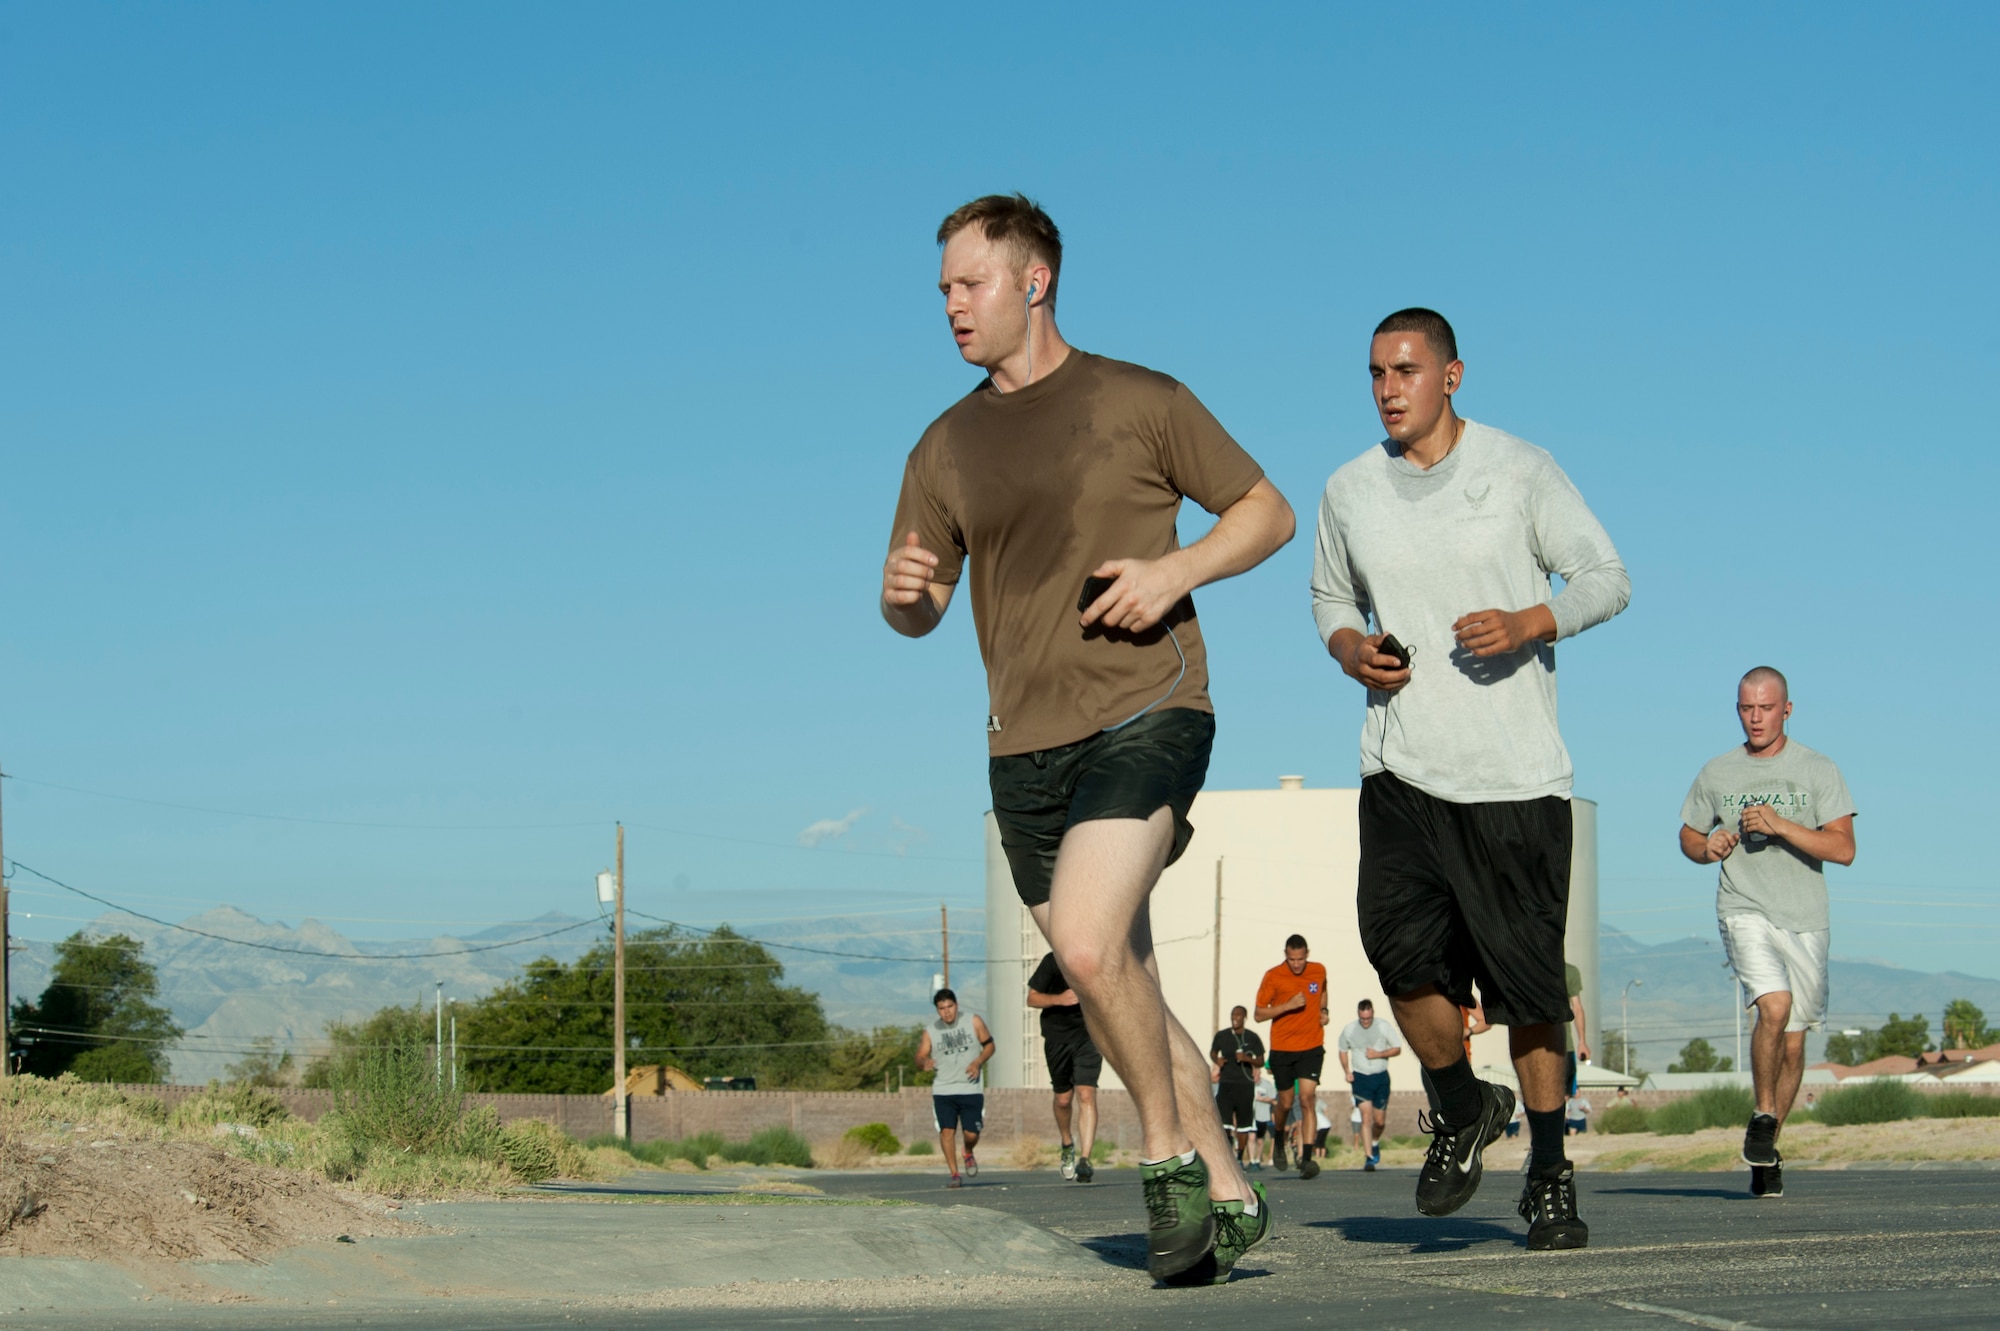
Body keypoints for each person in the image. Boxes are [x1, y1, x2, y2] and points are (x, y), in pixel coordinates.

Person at [881, 194, 1292, 1281]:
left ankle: (1164, 1169)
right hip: (1022, 746)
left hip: (1147, 706)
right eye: (942, 291)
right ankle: (1229, 1183)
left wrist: (1174, 570)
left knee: (1086, 945)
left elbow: (1264, 510)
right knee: (1122, 984)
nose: (951, 306)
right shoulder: (945, 442)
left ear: (1033, 280)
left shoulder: (1138, 399)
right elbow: (919, 607)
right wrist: (906, 597)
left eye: (968, 284)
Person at [1311, 308, 1630, 1251]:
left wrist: (1535, 620)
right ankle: (1460, 1102)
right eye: (1375, 372)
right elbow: (1331, 595)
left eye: (1405, 369)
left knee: (1531, 995)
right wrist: (1349, 650)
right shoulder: (1348, 488)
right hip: (1400, 768)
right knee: (1400, 959)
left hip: (1517, 780)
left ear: (1452, 375)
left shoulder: (1520, 469)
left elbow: (1606, 576)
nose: (1387, 388)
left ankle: (1546, 1173)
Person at [1679, 665, 1857, 1202]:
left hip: (1805, 915)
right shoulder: (1717, 771)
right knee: (1773, 1007)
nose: (1755, 718)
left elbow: (1843, 849)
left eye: (1765, 708)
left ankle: (1768, 1147)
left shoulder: (1818, 768)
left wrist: (1780, 824)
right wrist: (1704, 847)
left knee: (1796, 1041)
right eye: (1745, 708)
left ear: (1786, 709)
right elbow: (1689, 833)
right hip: (1743, 906)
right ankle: (1762, 1114)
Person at [1255, 936, 1330, 1178]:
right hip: (1283, 1048)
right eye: (1291, 959)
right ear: (1285, 954)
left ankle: (1306, 1159)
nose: (1296, 964)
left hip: (1312, 1046)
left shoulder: (1318, 970)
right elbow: (1258, 1014)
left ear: (1307, 953)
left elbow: (1323, 990)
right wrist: (1287, 1006)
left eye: (1300, 959)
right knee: (1285, 1103)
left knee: (1308, 1099)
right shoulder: (1273, 976)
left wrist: (1323, 1011)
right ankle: (1278, 1139)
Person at [1027, 951, 1100, 1183]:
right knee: (1063, 1100)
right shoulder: (1053, 960)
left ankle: (1085, 1160)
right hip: (1057, 1037)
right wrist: (1059, 999)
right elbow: (1032, 998)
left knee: (1086, 1094)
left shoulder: (1097, 957)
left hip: (1088, 1036)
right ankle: (1067, 1143)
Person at [914, 989, 993, 1188]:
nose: (947, 1012)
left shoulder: (973, 1021)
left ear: (956, 1005)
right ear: (937, 1010)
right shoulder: (931, 1031)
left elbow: (990, 1046)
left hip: (970, 1088)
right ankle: (955, 1174)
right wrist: (924, 1062)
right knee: (946, 1131)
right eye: (942, 1009)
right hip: (943, 1090)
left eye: (949, 1007)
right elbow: (920, 1056)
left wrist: (978, 1062)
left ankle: (967, 1151)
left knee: (971, 1133)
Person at [1338, 999, 1402, 1171]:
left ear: (1372, 1013)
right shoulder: (1350, 1029)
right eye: (1362, 1018)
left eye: (1368, 1018)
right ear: (1358, 1015)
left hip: (1380, 1076)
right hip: (1360, 1077)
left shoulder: (1383, 1026)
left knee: (1379, 1122)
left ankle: (1375, 1142)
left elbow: (1397, 1048)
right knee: (1366, 1118)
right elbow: (1342, 1050)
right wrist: (1347, 1071)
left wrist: (1378, 1054)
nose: (1365, 1021)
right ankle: (1369, 1158)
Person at [1210, 1006, 1266, 1167]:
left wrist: (1248, 1059)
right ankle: (1227, 1152)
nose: (1235, 1017)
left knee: (1244, 1125)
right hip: (1227, 1084)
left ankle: (1240, 1158)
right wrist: (1217, 1060)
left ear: (1245, 1017)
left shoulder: (1252, 1037)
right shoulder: (1222, 1035)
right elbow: (1213, 1052)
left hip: (1245, 1085)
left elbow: (1261, 1060)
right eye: (1233, 1014)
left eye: (1238, 1015)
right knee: (1224, 1122)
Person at [1565, 962, 1591, 1095]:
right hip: (1537, 1045)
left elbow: (1577, 1007)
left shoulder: (1569, 971)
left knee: (1564, 1096)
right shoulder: (1531, 968)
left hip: (1564, 1047)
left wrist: (1582, 1042)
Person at [1252, 1068, 1277, 1169]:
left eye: (1256, 1075)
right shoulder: (1247, 1083)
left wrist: (1261, 1099)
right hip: (1250, 1116)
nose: (1254, 1077)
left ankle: (1258, 1159)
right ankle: (1252, 1160)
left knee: (1260, 1139)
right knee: (1250, 1138)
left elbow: (1274, 1100)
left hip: (1263, 1116)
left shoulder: (1267, 1085)